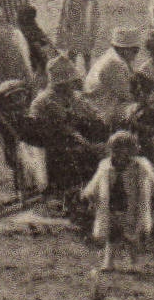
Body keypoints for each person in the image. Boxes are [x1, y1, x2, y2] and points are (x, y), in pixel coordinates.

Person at [82, 130, 154, 286]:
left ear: (132, 150)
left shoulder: (139, 166)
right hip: (111, 202)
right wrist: (89, 193)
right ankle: (109, 261)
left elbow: (152, 182)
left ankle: (134, 262)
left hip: (131, 203)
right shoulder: (105, 165)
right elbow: (96, 181)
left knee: (132, 233)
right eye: (116, 148)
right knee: (112, 231)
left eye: (124, 148)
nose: (119, 153)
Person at [26, 56, 108, 199]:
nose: (71, 86)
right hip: (58, 148)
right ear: (59, 84)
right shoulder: (44, 102)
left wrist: (98, 122)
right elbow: (51, 131)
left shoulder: (74, 98)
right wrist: (89, 145)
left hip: (76, 139)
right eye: (68, 83)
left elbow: (95, 115)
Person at [84, 27, 143, 125]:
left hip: (101, 104)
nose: (136, 55)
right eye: (135, 51)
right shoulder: (114, 63)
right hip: (102, 110)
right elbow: (127, 94)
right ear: (125, 50)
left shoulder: (112, 57)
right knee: (141, 112)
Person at [14, 5, 56, 75]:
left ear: (22, 19)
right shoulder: (37, 31)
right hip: (47, 69)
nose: (15, 19)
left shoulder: (24, 35)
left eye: (17, 16)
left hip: (39, 71)